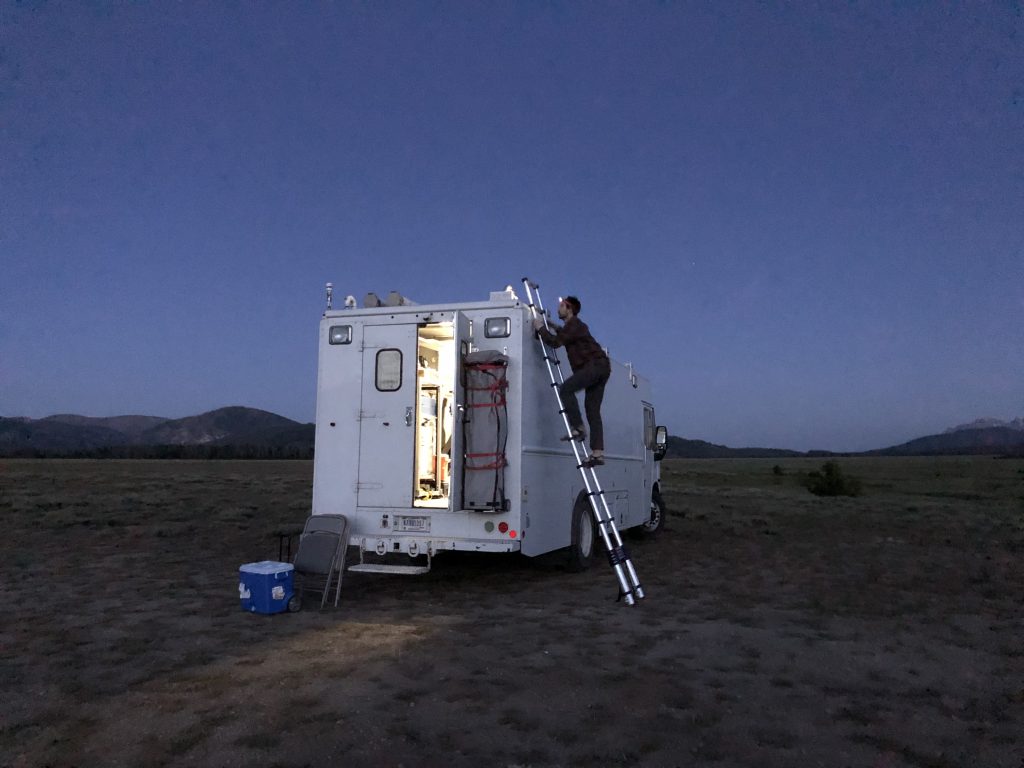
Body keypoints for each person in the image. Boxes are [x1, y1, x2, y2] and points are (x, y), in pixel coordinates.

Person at [533, 295, 611, 467]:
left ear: (569, 309)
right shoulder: (574, 327)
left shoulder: (575, 325)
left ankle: (578, 428)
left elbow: (554, 342)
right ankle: (598, 454)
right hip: (602, 367)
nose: (558, 308)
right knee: (592, 409)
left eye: (561, 306)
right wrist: (554, 326)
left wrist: (540, 328)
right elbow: (567, 336)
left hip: (594, 366)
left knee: (566, 389)